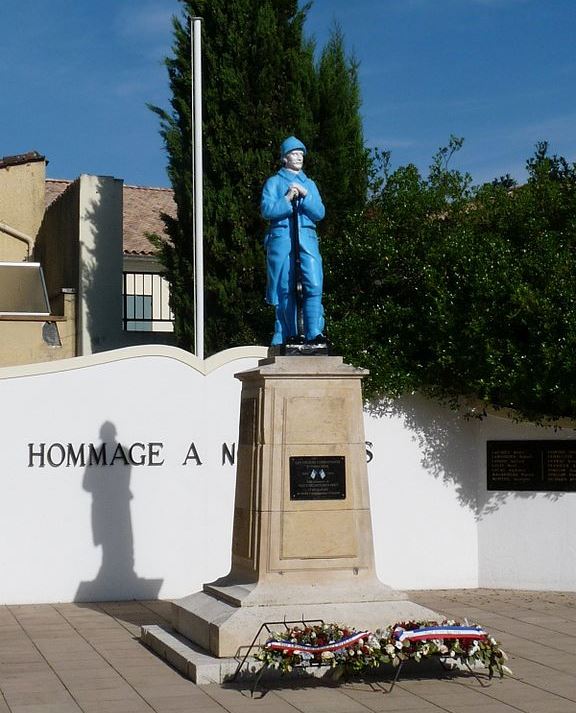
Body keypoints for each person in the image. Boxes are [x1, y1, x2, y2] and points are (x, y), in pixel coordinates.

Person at [261, 136, 326, 346]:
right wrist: (287, 198)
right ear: (285, 158)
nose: (299, 158)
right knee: (285, 287)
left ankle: (313, 331)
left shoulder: (310, 184)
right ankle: (288, 332)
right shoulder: (274, 182)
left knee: (314, 283)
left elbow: (319, 212)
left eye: (301, 154)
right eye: (294, 154)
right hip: (282, 241)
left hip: (306, 239)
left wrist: (306, 195)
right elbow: (267, 210)